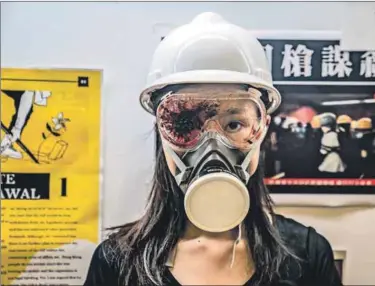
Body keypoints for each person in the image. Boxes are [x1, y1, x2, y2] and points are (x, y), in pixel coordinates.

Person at [84, 12, 342, 286]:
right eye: (186, 124)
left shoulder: (306, 256)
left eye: (233, 124)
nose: (212, 146)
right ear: (162, 130)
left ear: (262, 127)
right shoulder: (117, 263)